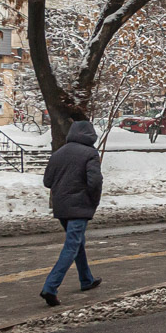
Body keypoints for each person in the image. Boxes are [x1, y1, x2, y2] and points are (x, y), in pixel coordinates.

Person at [40, 118, 104, 306]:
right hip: (80, 206)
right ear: (90, 136)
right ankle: (50, 287)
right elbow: (95, 182)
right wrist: (93, 201)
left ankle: (86, 279)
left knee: (77, 243)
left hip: (62, 207)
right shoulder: (90, 153)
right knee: (71, 245)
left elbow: (47, 181)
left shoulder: (59, 153)